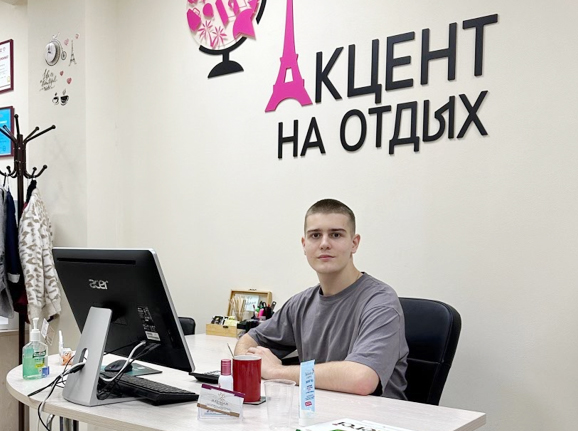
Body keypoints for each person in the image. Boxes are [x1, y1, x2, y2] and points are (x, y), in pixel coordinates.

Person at [234, 199, 408, 399]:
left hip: (373, 416)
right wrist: (250, 361)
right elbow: (248, 340)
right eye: (315, 235)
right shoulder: (300, 304)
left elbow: (361, 379)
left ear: (354, 243)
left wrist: (276, 371)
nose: (324, 244)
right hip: (318, 411)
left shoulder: (381, 303)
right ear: (304, 244)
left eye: (336, 234)